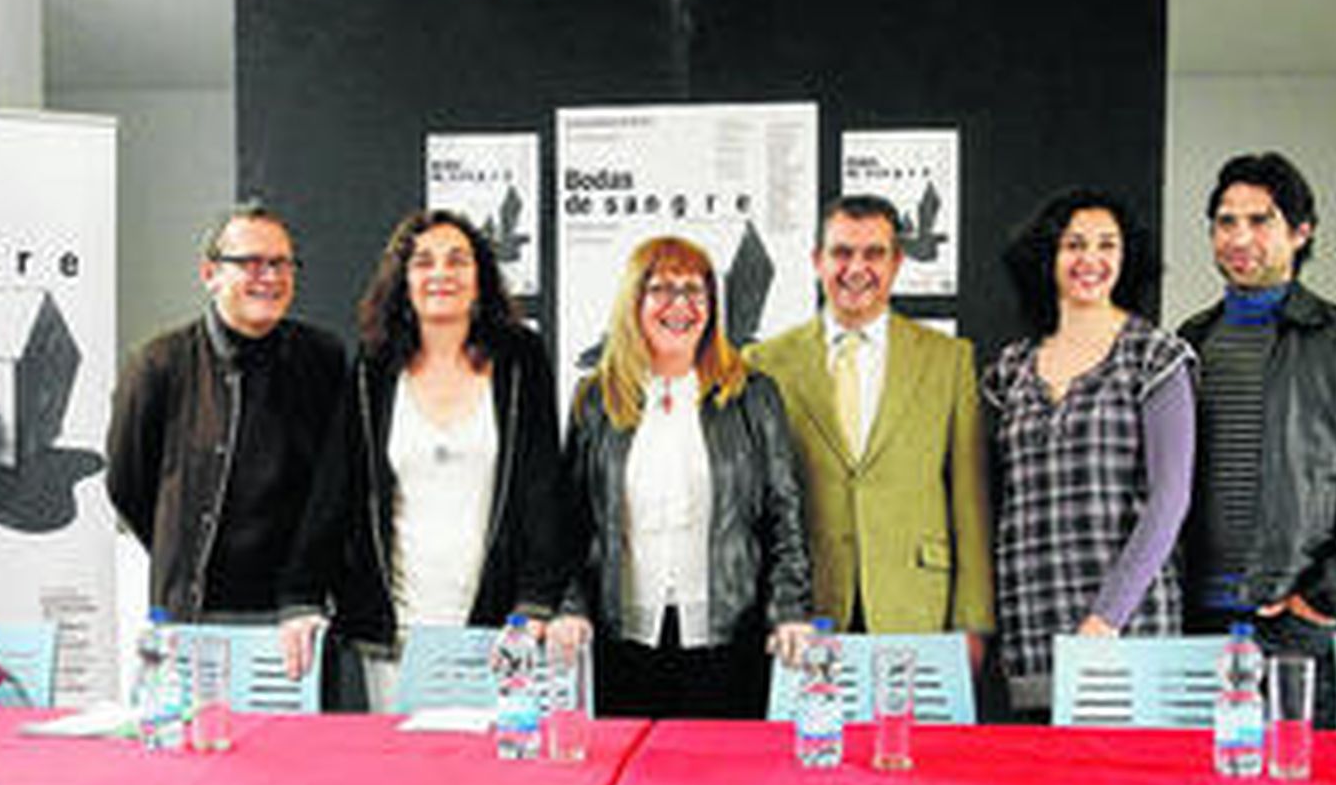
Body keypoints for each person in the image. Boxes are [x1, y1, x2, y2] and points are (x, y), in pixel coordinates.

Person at [278, 210, 563, 709]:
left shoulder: (520, 360)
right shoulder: (374, 367)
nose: (441, 273)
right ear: (402, 280)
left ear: (480, 277)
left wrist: (536, 602)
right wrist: (301, 596)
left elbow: (543, 489)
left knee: (497, 756)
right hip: (398, 629)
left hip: (497, 627)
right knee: (406, 758)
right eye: (423, 262)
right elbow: (336, 488)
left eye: (458, 260)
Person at [550, 235, 811, 719]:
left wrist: (790, 611)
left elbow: (784, 514)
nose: (681, 305)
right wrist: (570, 607)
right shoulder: (595, 398)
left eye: (695, 290)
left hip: (728, 636)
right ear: (633, 301)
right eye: (661, 289)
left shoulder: (753, 395)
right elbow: (568, 522)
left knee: (717, 763)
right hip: (618, 638)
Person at [746, 195, 993, 665]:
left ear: (897, 263)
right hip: (806, 609)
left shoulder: (948, 359)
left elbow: (969, 499)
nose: (856, 268)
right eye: (841, 253)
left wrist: (973, 620)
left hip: (918, 603)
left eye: (874, 254)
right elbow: (755, 503)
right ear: (817, 261)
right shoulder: (765, 363)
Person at [984, 189, 1196, 714]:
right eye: (1074, 244)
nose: (1090, 259)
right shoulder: (1010, 370)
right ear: (1048, 257)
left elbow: (1170, 500)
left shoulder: (1154, 356)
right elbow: (997, 502)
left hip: (1129, 626)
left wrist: (1107, 618)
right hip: (1031, 622)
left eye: (1107, 245)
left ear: (1127, 257)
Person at [1180, 152, 1336, 726]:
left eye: (1260, 221)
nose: (1239, 238)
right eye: (1225, 221)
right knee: (1193, 779)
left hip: (1297, 620)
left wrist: (1324, 593)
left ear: (1300, 232)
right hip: (1196, 619)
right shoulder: (1191, 340)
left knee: (1299, 776)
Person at [106, 201, 346, 620]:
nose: (270, 277)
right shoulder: (159, 364)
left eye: (281, 264)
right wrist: (180, 552)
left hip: (296, 615)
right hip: (194, 612)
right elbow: (127, 485)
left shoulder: (322, 359)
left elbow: (335, 486)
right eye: (251, 263)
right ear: (210, 274)